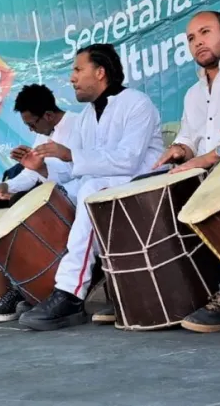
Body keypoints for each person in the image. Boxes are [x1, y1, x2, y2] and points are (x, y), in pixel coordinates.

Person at [17, 43, 164, 331]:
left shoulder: (136, 102)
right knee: (54, 197)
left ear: (100, 72)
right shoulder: (86, 117)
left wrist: (70, 154)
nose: (72, 78)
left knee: (89, 190)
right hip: (108, 187)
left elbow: (128, 160)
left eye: (77, 69)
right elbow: (76, 169)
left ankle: (70, 292)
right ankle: (38, 285)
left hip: (144, 185)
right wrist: (43, 168)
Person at [144, 10, 220, 332]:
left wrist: (209, 158)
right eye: (191, 39)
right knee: (154, 191)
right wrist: (181, 150)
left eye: (205, 32)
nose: (198, 42)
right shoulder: (193, 93)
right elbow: (189, 138)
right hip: (210, 171)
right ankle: (181, 292)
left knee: (219, 180)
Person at [0, 84, 78, 322]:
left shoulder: (79, 126)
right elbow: (31, 174)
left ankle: (25, 289)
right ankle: (25, 288)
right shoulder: (43, 133)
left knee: (26, 211)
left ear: (47, 115)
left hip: (75, 194)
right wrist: (7, 186)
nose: (31, 129)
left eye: (32, 124)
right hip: (50, 192)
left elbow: (77, 171)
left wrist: (41, 168)